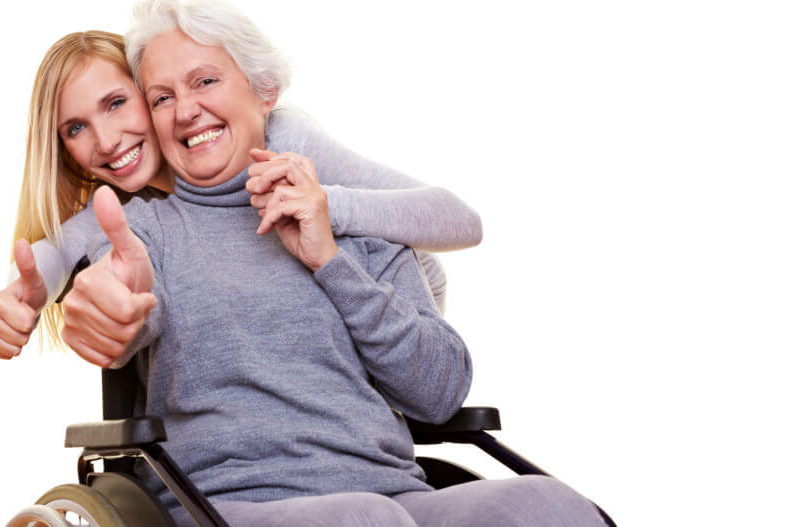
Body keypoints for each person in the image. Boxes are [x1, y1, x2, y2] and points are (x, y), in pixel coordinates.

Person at [60, 1, 608, 526]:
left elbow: (440, 393)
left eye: (205, 81)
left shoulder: (364, 222)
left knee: (547, 505)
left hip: (393, 491)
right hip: (224, 501)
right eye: (160, 98)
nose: (185, 110)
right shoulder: (145, 235)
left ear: (264, 91)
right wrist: (113, 308)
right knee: (364, 519)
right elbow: (122, 302)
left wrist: (330, 260)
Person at [0, 30, 482, 360]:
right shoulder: (125, 214)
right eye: (76, 128)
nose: (106, 141)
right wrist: (26, 294)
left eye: (116, 104)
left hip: (397, 311)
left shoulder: (279, 138)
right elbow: (59, 249)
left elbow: (460, 221)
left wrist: (327, 202)